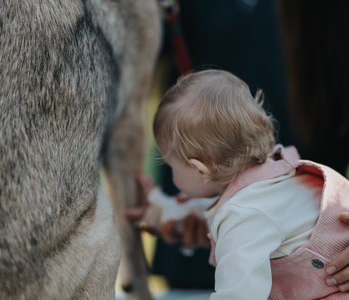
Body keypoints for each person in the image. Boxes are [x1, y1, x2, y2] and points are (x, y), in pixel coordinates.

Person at [126, 69, 349, 299]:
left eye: (171, 165)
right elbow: (204, 210)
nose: (172, 173)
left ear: (200, 169)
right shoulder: (268, 176)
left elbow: (239, 295)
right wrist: (157, 211)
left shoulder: (246, 215)